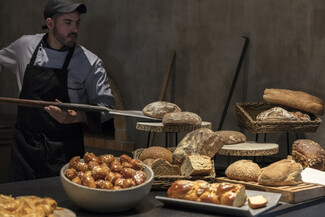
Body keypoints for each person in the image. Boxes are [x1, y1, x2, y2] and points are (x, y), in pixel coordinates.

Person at [0, 0, 115, 181]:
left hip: (64, 154)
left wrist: (75, 117)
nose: (75, 29)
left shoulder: (90, 62)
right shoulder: (24, 46)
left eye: (77, 23)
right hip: (24, 151)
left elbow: (107, 111)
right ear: (50, 23)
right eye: (68, 23)